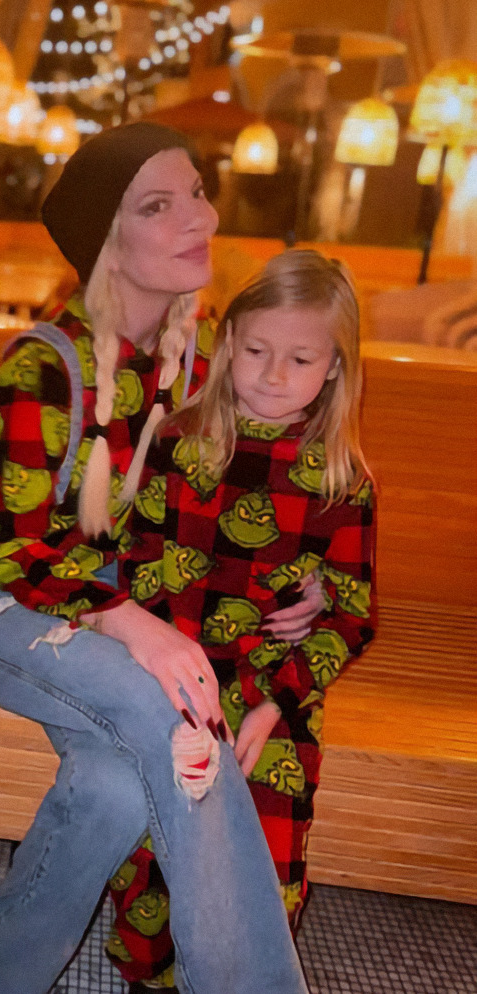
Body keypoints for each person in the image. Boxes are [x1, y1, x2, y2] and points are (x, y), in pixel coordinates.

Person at [0, 121, 314, 994]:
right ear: (109, 243)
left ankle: (1, 955)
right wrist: (137, 627)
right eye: (159, 205)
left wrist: (310, 577)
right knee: (163, 701)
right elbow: (8, 544)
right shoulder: (44, 366)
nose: (198, 216)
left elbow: (247, 499)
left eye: (198, 192)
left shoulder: (197, 363)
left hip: (97, 604)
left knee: (118, 783)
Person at [107, 249, 377, 991]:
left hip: (273, 690)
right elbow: (132, 571)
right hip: (167, 675)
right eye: (256, 350)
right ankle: (149, 975)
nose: (272, 374)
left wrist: (271, 702)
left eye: (299, 358)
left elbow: (353, 618)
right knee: (154, 832)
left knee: (264, 847)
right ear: (228, 345)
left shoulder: (340, 482)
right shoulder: (177, 443)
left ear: (334, 369)